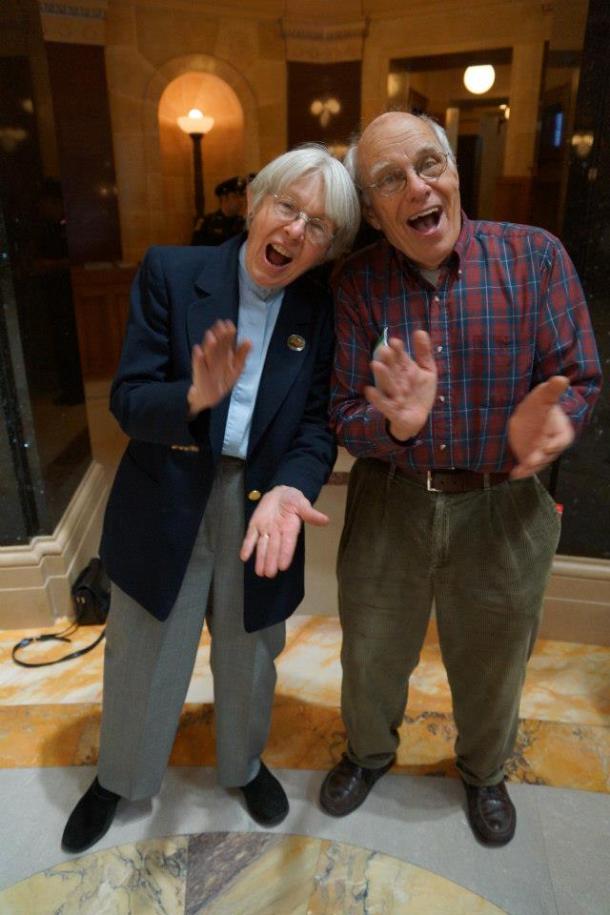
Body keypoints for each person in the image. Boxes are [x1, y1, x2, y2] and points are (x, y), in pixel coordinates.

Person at [61, 144, 359, 854]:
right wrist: (193, 396)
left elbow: (316, 424)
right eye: (287, 207)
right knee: (143, 642)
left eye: (318, 226)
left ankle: (243, 764)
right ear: (257, 203)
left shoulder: (319, 310)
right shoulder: (173, 271)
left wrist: (290, 487)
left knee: (251, 645)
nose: (294, 231)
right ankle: (119, 774)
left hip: (261, 501)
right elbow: (129, 399)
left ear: (327, 249)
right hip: (168, 487)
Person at [319, 111, 602, 846]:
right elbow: (344, 412)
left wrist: (554, 421)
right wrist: (398, 426)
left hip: (504, 502)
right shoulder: (355, 285)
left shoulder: (534, 257)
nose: (417, 185)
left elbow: (579, 376)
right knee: (371, 649)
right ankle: (368, 751)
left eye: (428, 163)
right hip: (392, 502)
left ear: (452, 171)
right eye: (390, 179)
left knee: (495, 657)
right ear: (375, 213)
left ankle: (482, 770)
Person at [191, 175, 247, 246]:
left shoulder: (243, 223)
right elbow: (196, 249)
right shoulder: (208, 222)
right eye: (235, 196)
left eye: (241, 196)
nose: (240, 200)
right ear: (224, 198)